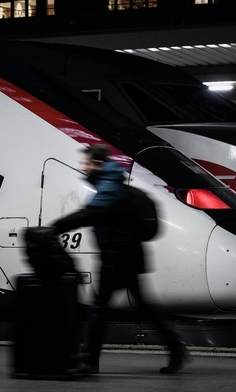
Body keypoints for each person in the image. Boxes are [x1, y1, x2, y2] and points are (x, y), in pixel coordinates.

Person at [51, 144, 190, 374]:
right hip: (127, 255)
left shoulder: (109, 187)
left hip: (117, 257)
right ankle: (176, 348)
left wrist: (57, 227)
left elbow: (91, 214)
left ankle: (89, 360)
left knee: (99, 309)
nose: (82, 167)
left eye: (86, 163)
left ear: (97, 164)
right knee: (144, 307)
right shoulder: (111, 184)